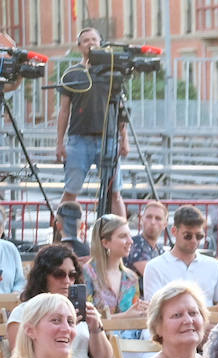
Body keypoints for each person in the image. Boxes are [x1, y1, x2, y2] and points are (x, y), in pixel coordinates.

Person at [55, 27, 127, 217]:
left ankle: (121, 235)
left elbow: (121, 110)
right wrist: (59, 142)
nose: (90, 43)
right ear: (79, 46)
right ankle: (58, 235)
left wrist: (124, 139)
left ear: (100, 42)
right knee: (71, 190)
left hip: (109, 139)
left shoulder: (112, 73)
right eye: (85, 40)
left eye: (94, 39)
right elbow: (64, 111)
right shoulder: (71, 74)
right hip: (79, 139)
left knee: (114, 192)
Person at [142, 206, 218, 304]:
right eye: (187, 236)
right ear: (174, 231)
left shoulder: (214, 265)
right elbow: (153, 309)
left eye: (199, 236)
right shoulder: (154, 267)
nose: (194, 240)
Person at [84, 213, 140, 321]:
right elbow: (86, 320)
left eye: (129, 235)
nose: (130, 241)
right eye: (123, 236)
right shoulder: (87, 273)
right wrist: (124, 317)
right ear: (105, 243)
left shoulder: (131, 278)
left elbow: (135, 316)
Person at [124, 200, 166, 278]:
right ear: (142, 220)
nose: (153, 222)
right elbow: (152, 277)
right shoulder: (133, 244)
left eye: (158, 218)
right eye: (149, 217)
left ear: (165, 224)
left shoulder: (160, 250)